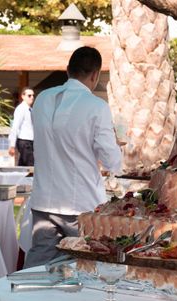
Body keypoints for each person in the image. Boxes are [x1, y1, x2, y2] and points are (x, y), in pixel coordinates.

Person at [24, 47, 122, 267]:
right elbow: (112, 162)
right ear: (95, 75)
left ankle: (20, 299)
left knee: (37, 265)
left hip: (44, 200)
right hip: (80, 204)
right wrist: (117, 145)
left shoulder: (41, 99)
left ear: (68, 70)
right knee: (86, 265)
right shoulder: (97, 107)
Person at [8, 86, 35, 166]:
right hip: (24, 141)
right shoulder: (21, 109)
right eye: (29, 95)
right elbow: (15, 127)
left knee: (23, 166)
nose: (32, 97)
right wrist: (12, 145)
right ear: (23, 96)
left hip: (30, 141)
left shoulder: (30, 109)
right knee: (31, 165)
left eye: (33, 95)